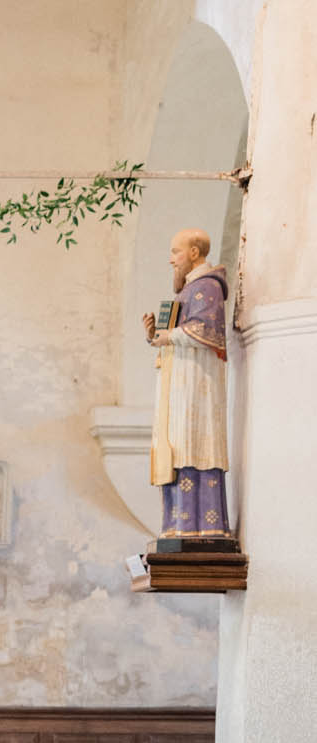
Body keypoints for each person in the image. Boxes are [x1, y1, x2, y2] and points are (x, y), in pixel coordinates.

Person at [144, 227, 231, 540]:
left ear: (195, 252)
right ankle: (177, 525)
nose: (171, 260)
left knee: (194, 445)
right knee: (177, 445)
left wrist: (170, 336)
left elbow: (208, 331)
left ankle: (201, 526)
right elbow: (173, 336)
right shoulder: (187, 290)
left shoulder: (208, 287)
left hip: (196, 384)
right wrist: (156, 334)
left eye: (175, 252)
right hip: (179, 382)